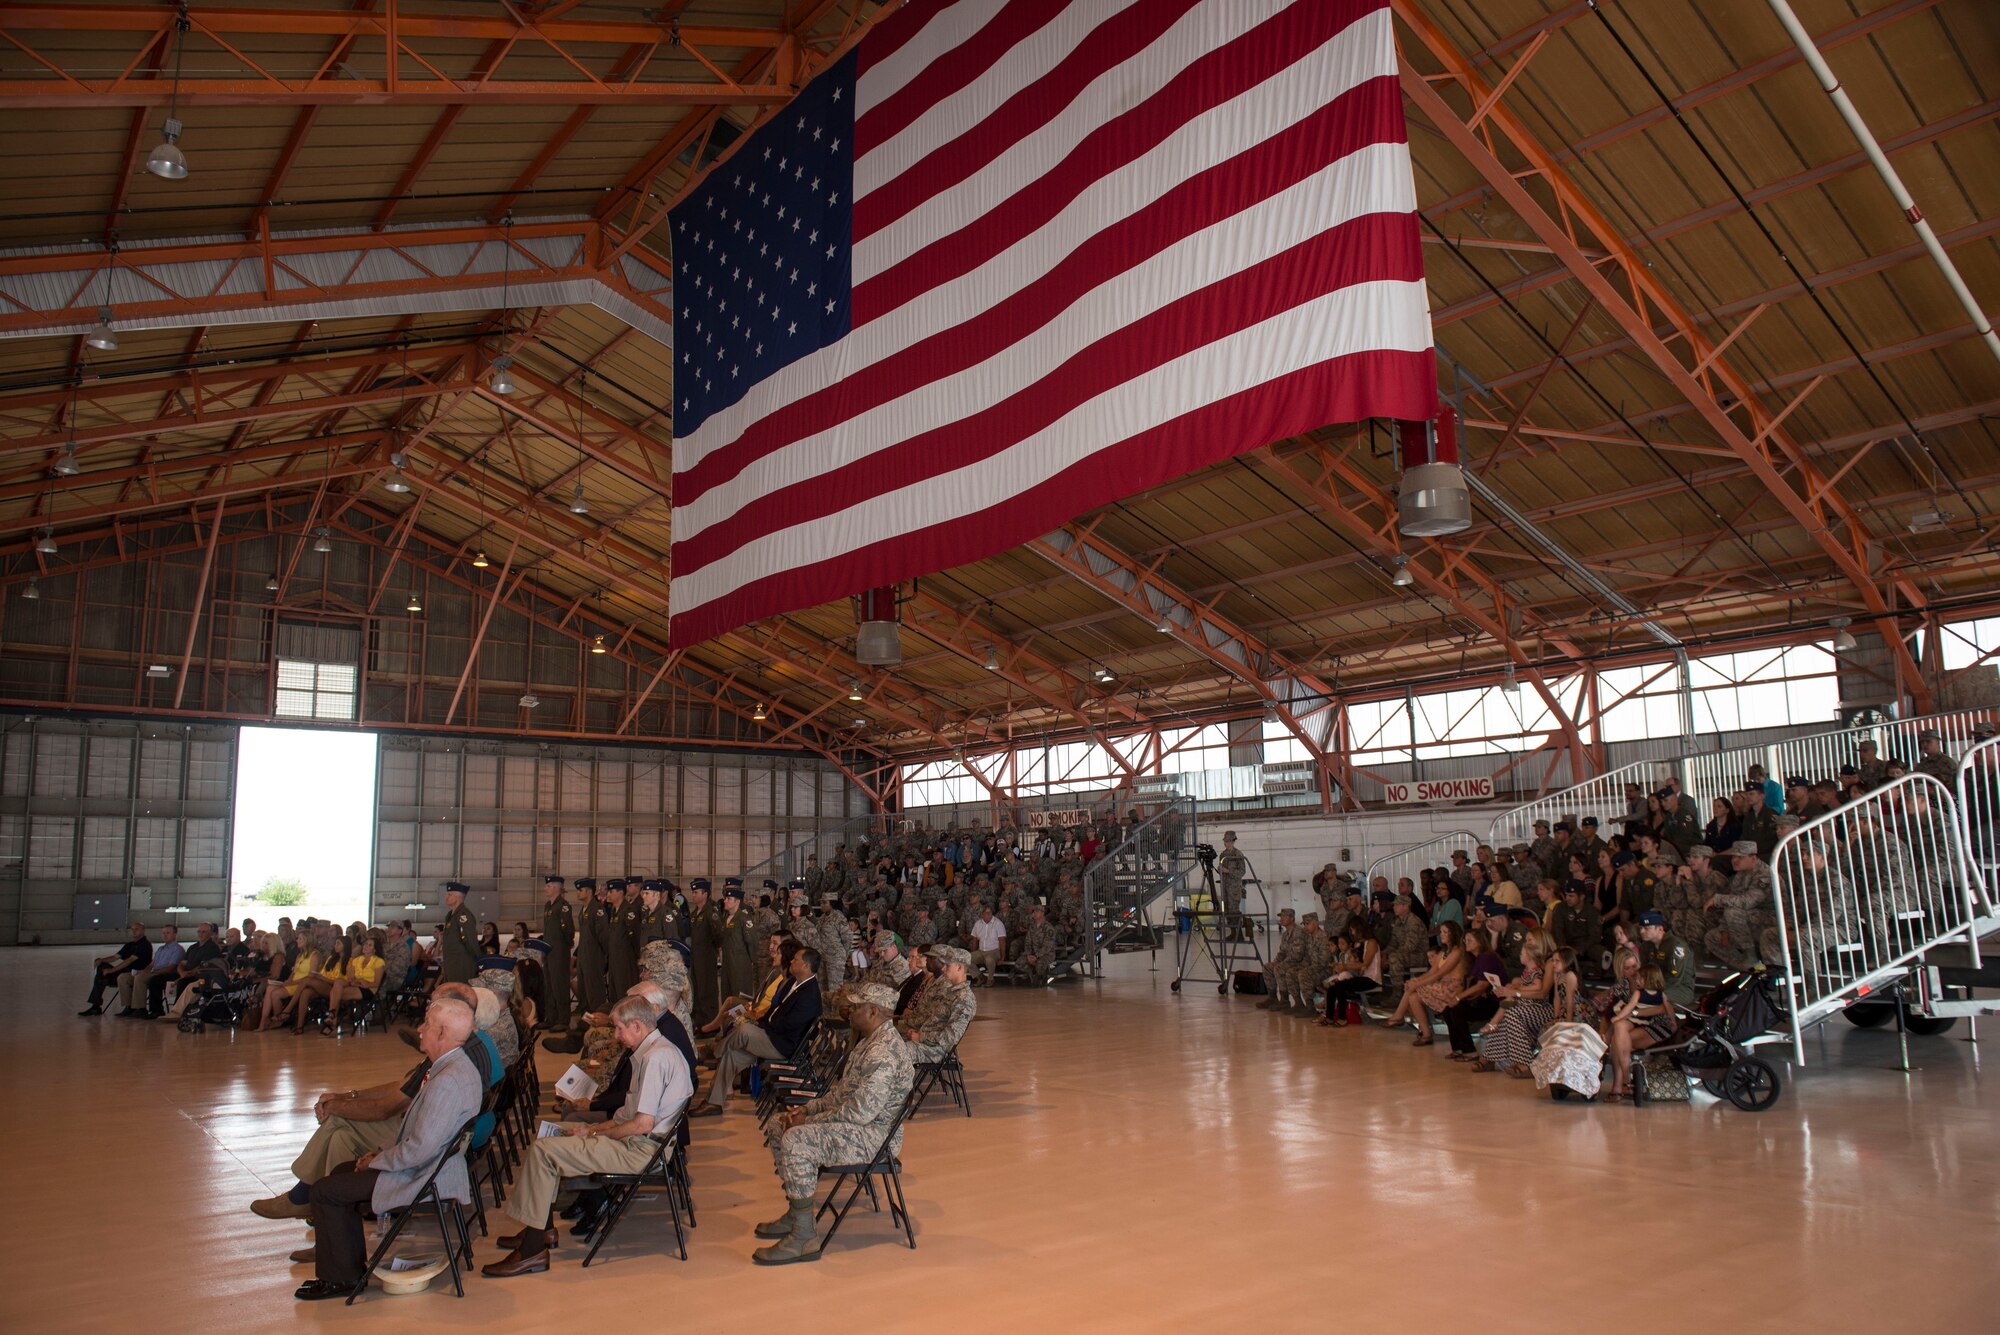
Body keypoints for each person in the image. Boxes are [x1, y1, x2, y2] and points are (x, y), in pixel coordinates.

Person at [481, 994, 693, 1278]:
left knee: (545, 1151)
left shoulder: (655, 1059)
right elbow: (627, 1117)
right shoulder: (654, 1052)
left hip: (642, 1151)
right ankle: (540, 1232)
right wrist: (589, 1131)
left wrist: (593, 1132)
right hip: (640, 1143)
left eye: (619, 1028)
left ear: (639, 1027)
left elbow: (641, 1124)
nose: (615, 1035)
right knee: (547, 1144)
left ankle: (532, 1250)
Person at [293, 997, 483, 1301]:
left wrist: (377, 1160)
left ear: (443, 1034)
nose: (420, 1029)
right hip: (427, 1165)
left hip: (424, 1176)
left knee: (324, 1191)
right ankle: (348, 1269)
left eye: (428, 1025)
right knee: (341, 1174)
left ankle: (340, 1279)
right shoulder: (455, 1065)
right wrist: (376, 1156)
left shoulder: (448, 1080)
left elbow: (420, 1150)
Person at [752, 982, 914, 1265]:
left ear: (873, 1011)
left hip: (874, 1137)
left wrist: (808, 1120)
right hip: (858, 1125)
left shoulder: (883, 1053)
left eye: (857, 1006)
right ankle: (796, 1212)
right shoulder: (868, 1041)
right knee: (781, 1124)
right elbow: (840, 1094)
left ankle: (804, 1237)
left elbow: (859, 1113)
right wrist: (805, 1110)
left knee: (795, 1138)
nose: (850, 1011)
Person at [691, 945, 822, 1116]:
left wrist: (762, 1027)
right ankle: (713, 1102)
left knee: (745, 1030)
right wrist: (762, 1023)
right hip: (772, 1037)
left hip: (784, 1046)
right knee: (731, 1055)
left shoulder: (810, 994)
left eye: (795, 959)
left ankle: (712, 1052)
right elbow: (774, 1010)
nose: (791, 960)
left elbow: (789, 1026)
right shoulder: (793, 983)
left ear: (806, 965)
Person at [1604, 963, 1679, 1102]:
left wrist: (1633, 1013)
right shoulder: (1622, 987)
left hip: (1654, 1025)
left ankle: (1622, 1085)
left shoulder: (1658, 993)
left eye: (1635, 968)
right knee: (1619, 1029)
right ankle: (1624, 1083)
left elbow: (1663, 1009)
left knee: (1617, 1038)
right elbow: (1614, 1009)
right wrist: (1622, 1016)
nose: (1633, 973)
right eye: (1627, 967)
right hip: (1633, 1022)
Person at [1385, 920, 1466, 1045]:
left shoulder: (1457, 951)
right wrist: (1416, 980)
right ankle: (1426, 1034)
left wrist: (1417, 984)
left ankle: (1398, 1016)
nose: (1442, 935)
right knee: (1413, 997)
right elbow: (1431, 972)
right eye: (1441, 932)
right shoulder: (1443, 952)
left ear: (1453, 934)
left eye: (1445, 932)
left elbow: (1439, 974)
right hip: (1441, 985)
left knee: (1413, 988)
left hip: (1452, 988)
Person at [1704, 840, 1776, 968]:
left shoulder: (1764, 875)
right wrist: (1724, 929)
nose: (1734, 860)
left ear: (1753, 858)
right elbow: (1733, 901)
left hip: (1771, 920)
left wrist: (1718, 899)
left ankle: (1751, 957)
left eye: (1740, 857)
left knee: (1733, 912)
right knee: (1712, 937)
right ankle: (1746, 967)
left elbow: (1748, 901)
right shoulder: (1740, 875)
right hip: (1749, 920)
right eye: (1733, 856)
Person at [898, 945, 977, 1061]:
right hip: (926, 1042)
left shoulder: (964, 999)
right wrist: (918, 1033)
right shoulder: (950, 992)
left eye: (948, 966)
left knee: (891, 1052)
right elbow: (934, 1021)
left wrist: (921, 1037)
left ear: (959, 968)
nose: (943, 969)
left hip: (935, 1050)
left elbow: (950, 1037)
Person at [1441, 928, 1506, 1060]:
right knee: (1448, 1009)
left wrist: (1459, 997)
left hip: (1494, 1001)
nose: (1466, 943)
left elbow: (1482, 985)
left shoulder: (1486, 957)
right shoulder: (1476, 959)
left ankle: (1469, 1050)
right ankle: (1458, 1048)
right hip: (1483, 998)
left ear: (1480, 942)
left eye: (1470, 940)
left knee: (1457, 1010)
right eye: (1465, 940)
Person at [80, 921, 154, 1016]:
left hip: (134, 973)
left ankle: (96, 1005)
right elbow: (115, 957)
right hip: (123, 972)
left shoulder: (145, 945)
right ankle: (96, 1005)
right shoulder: (129, 945)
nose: (134, 931)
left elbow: (129, 961)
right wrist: (101, 960)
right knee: (102, 967)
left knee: (102, 977)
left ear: (143, 931)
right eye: (132, 929)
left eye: (137, 929)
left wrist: (111, 970)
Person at [1318, 921, 1381, 1027]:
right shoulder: (1364, 943)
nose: (1352, 932)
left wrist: (1345, 966)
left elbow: (1365, 964)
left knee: (1340, 986)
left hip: (1372, 979)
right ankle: (1329, 1017)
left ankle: (1342, 1018)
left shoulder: (1372, 942)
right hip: (1364, 977)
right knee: (1334, 988)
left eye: (1352, 930)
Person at [114, 923, 183, 1016]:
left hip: (163, 974)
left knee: (140, 978)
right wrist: (144, 971)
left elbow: (170, 967)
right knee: (123, 977)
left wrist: (151, 972)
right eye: (163, 933)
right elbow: (152, 964)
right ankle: (128, 1006)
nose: (165, 935)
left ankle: (140, 1008)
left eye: (168, 933)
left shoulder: (177, 949)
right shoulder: (161, 949)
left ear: (174, 934)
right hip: (153, 972)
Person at [539, 874, 574, 1031]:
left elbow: (569, 930)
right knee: (549, 984)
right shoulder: (548, 905)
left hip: (559, 951)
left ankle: (563, 1019)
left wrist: (563, 947)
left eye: (549, 886)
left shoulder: (563, 906)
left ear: (557, 887)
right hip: (548, 950)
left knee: (559, 985)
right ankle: (551, 1017)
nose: (546, 888)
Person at [437, 881, 479, 984]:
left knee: (460, 994)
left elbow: (470, 940)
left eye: (450, 894)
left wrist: (479, 959)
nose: (446, 897)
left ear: (457, 897)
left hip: (461, 964)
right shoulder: (451, 915)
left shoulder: (463, 915)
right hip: (451, 964)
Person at [968, 904, 1007, 984]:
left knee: (989, 959)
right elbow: (974, 940)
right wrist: (974, 952)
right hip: (981, 951)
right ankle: (980, 977)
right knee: (966, 958)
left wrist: (1002, 957)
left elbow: (1002, 941)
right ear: (982, 914)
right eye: (986, 913)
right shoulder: (978, 924)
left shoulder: (998, 923)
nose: (988, 914)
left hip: (994, 951)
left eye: (990, 913)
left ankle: (990, 979)